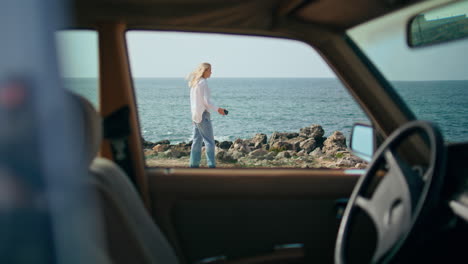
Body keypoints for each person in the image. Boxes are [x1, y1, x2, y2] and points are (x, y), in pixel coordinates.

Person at [187, 63, 226, 168]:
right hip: (203, 115)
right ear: (204, 71)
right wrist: (219, 109)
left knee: (196, 141)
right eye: (210, 70)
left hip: (196, 115)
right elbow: (206, 101)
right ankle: (211, 166)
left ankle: (193, 165)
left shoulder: (195, 83)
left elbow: (192, 102)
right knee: (209, 141)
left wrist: (193, 116)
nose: (211, 72)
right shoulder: (203, 83)